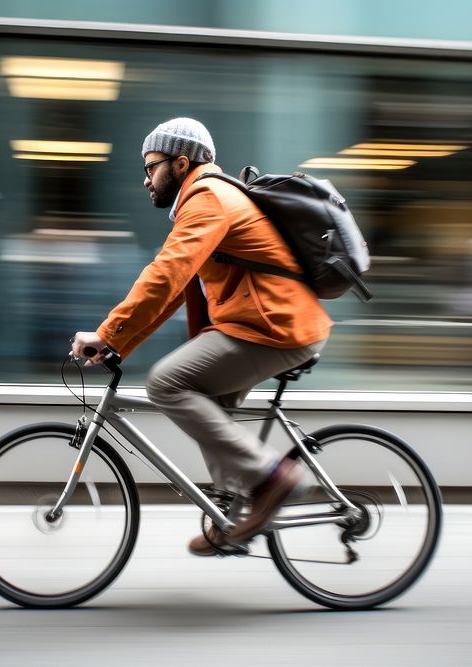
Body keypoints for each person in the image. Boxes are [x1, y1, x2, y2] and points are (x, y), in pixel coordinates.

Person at [71, 118, 331, 556]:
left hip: (276, 326)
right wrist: (117, 341)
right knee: (206, 401)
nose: (146, 179)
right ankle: (231, 515)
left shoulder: (208, 196)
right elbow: (174, 291)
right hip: (259, 326)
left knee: (166, 383)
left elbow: (165, 274)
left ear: (181, 162)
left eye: (151, 166)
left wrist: (106, 332)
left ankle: (272, 478)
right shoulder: (205, 200)